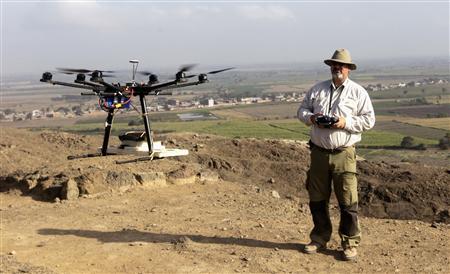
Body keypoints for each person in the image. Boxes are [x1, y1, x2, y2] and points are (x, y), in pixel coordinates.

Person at [297, 48, 375, 261]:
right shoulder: (317, 90)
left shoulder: (358, 93)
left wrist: (345, 122)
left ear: (349, 69)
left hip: (344, 154)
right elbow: (301, 111)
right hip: (318, 153)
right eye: (334, 64)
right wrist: (313, 118)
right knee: (317, 198)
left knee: (348, 201)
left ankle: (349, 243)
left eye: (341, 65)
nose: (337, 68)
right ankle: (320, 237)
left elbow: (369, 120)